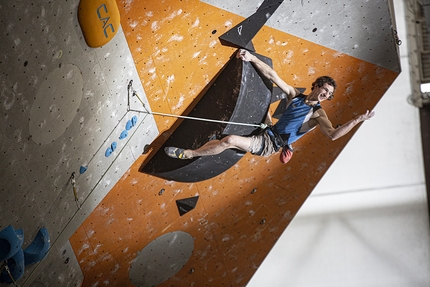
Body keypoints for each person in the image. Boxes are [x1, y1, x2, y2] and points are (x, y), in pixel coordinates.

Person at [165, 49, 375, 163]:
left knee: (229, 140)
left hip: (270, 145)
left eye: (329, 95)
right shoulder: (296, 96)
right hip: (269, 129)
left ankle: (189, 154)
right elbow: (274, 76)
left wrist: (358, 119)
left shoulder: (317, 113)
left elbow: (333, 135)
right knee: (261, 105)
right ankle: (213, 144)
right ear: (317, 85)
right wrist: (252, 58)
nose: (325, 95)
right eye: (325, 90)